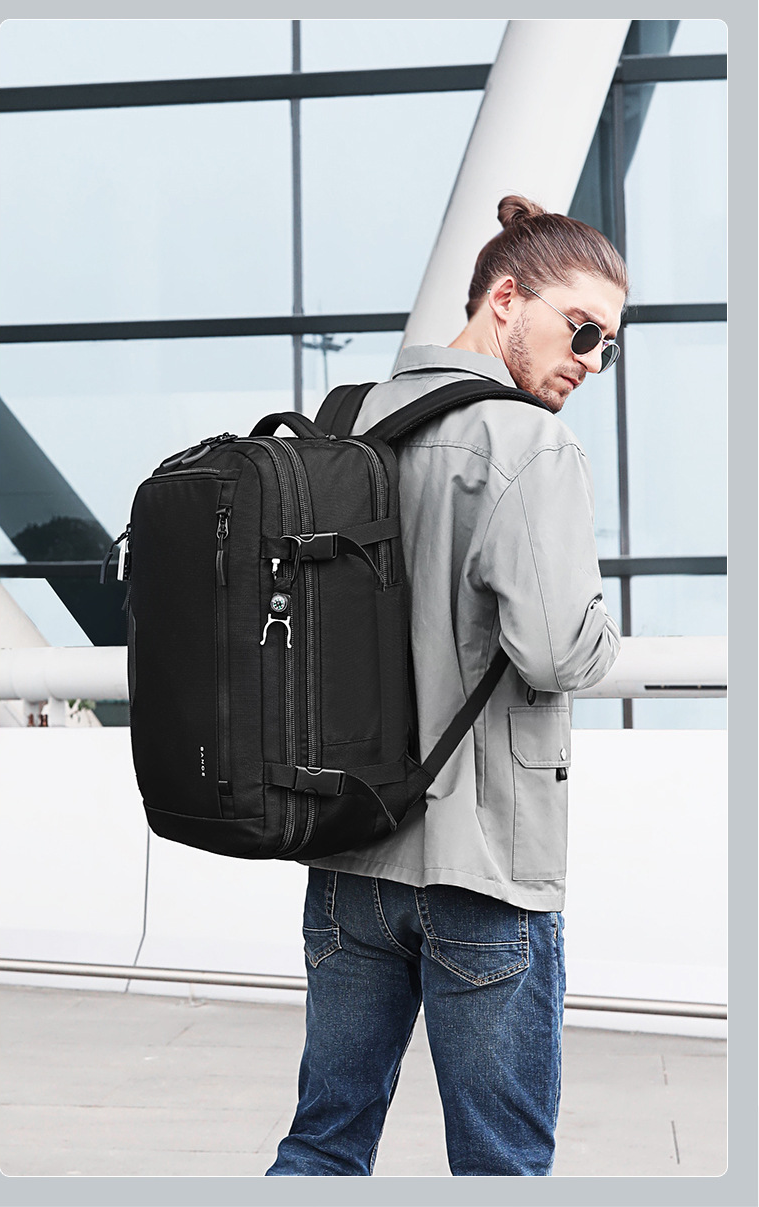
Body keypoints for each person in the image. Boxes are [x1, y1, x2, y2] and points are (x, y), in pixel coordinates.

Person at [266, 195, 626, 1177]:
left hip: (349, 859)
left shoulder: (346, 425)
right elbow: (557, 651)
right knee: (501, 1167)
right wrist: (602, 628)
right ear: (505, 299)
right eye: (582, 329)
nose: (592, 360)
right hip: (484, 871)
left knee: (322, 1146)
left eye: (609, 346)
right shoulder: (529, 445)